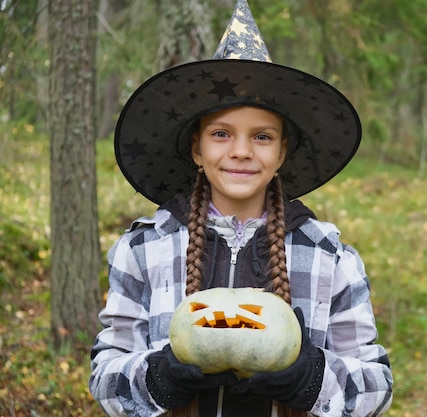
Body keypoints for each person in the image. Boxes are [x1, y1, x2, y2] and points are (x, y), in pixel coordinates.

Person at [89, 1, 393, 417]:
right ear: (197, 148)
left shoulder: (329, 256)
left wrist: (311, 378)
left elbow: (376, 387)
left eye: (262, 136)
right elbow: (105, 376)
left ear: (283, 151)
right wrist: (161, 376)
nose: (241, 151)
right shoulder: (144, 248)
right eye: (221, 133)